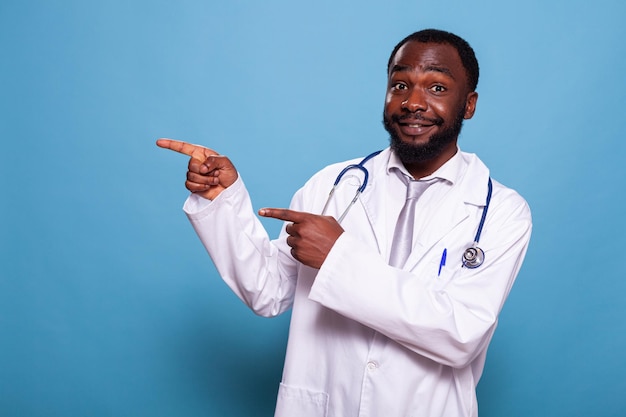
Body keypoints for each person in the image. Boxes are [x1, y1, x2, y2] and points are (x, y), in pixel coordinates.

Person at [157, 28, 532, 417]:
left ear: (468, 105)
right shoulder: (332, 186)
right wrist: (223, 202)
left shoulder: (502, 211)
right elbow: (267, 292)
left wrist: (338, 257)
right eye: (400, 84)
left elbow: (462, 335)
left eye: (436, 88)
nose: (412, 102)